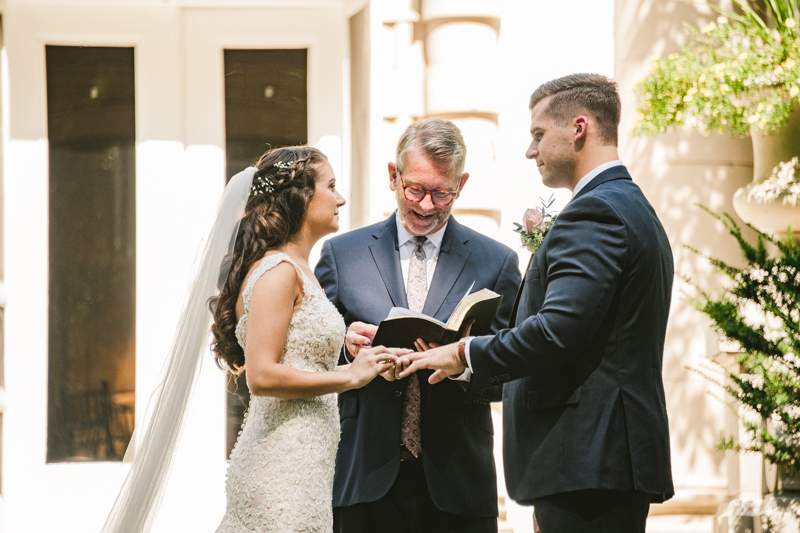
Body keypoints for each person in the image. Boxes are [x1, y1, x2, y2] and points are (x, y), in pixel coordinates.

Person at [399, 74, 675, 532]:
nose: (531, 151)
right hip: (601, 462)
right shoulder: (630, 205)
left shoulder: (597, 212)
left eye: (538, 134)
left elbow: (556, 331)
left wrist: (461, 351)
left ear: (579, 128)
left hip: (588, 460)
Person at [100, 146, 407, 533]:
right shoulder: (278, 271)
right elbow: (261, 376)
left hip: (306, 469)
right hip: (278, 471)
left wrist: (343, 345)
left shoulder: (300, 269)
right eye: (330, 186)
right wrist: (351, 376)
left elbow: (295, 350)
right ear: (300, 196)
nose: (340, 197)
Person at [314, 118, 521, 533]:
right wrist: (347, 348)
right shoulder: (342, 254)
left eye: (442, 192)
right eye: (416, 189)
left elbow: (516, 367)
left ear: (461, 184)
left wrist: (461, 363)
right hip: (363, 476)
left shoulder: (496, 262)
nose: (427, 205)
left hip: (458, 482)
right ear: (393, 175)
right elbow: (308, 355)